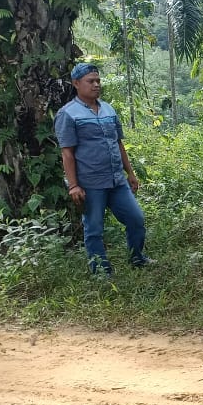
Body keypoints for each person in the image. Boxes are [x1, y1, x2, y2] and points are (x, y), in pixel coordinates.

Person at [55, 62, 150, 276]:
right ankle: (101, 271)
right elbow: (67, 153)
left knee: (136, 219)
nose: (96, 85)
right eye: (91, 81)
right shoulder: (68, 114)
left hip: (116, 180)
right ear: (77, 83)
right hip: (91, 183)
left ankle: (138, 259)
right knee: (94, 229)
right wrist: (74, 186)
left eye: (98, 80)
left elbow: (118, 143)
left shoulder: (108, 109)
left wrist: (130, 173)